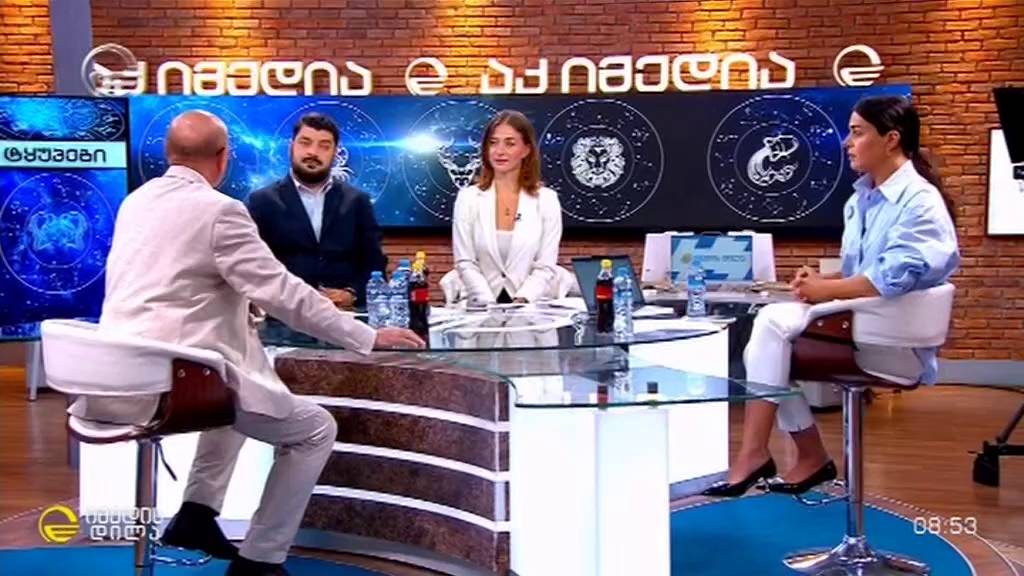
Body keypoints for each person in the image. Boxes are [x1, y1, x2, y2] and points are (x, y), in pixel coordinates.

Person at [96, 110, 424, 576]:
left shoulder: (135, 202)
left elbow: (176, 286)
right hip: (174, 381)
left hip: (117, 375)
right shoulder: (221, 211)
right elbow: (282, 292)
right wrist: (367, 336)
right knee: (315, 430)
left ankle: (196, 514)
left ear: (169, 154)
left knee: (244, 384)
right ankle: (260, 560)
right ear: (222, 158)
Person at [702, 95, 960, 497]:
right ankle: (806, 456)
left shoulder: (920, 201)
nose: (846, 142)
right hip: (865, 320)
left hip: (894, 338)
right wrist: (825, 280)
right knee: (765, 348)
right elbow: (865, 270)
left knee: (770, 326)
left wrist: (827, 290)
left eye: (857, 133)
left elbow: (894, 275)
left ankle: (761, 454)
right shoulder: (861, 200)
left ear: (891, 139)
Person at [247, 113, 387, 310]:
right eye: (305, 143)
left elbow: (374, 263)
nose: (313, 152)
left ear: (335, 153)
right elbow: (251, 264)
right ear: (291, 147)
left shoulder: (357, 202)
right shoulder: (262, 201)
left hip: (343, 316)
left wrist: (351, 294)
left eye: (324, 146)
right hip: (282, 314)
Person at [452, 110, 563, 304]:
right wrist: (489, 304)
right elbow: (465, 262)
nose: (499, 151)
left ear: (526, 150)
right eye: (493, 143)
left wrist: (522, 300)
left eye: (510, 143)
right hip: (480, 307)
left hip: (530, 308)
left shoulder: (546, 200)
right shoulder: (468, 198)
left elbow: (545, 266)